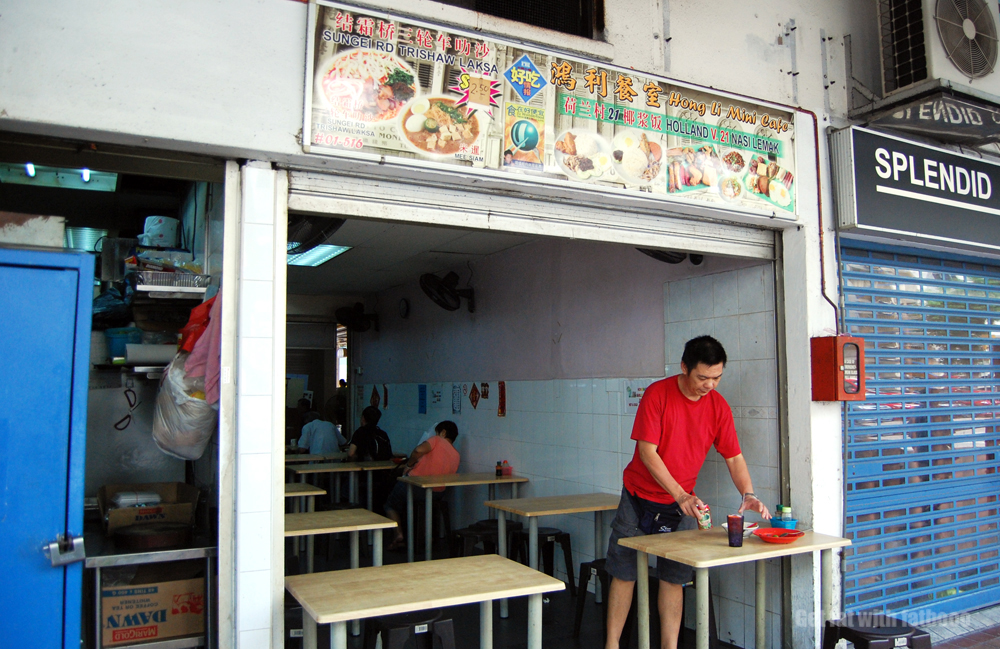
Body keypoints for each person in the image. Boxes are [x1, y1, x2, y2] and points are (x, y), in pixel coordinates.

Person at [604, 335, 771, 649]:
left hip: (681, 505)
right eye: (703, 377)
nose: (710, 385)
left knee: (674, 577)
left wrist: (748, 492)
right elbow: (647, 452)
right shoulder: (658, 395)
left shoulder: (718, 407)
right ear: (684, 367)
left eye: (717, 378)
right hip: (639, 497)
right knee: (624, 572)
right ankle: (611, 644)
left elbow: (733, 456)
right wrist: (681, 494)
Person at [383, 420, 460, 551]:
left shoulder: (437, 440)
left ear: (443, 432)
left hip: (416, 487)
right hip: (438, 493)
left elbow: (418, 450)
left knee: (390, 504)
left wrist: (409, 465)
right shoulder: (456, 455)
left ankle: (399, 535)